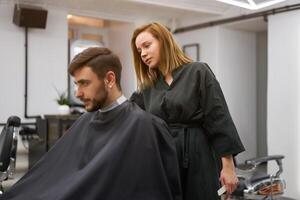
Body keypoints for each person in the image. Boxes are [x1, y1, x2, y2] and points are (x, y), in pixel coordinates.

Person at [0, 47, 182, 200]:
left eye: (84, 83)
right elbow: (55, 175)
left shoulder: (145, 126)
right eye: (76, 85)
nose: (78, 93)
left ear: (110, 79)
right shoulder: (86, 120)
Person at [130, 22, 245, 200]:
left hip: (200, 155)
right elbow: (128, 116)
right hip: (165, 158)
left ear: (164, 42)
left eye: (147, 45)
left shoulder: (198, 71)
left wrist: (228, 166)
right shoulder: (147, 88)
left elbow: (218, 117)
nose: (143, 54)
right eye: (139, 50)